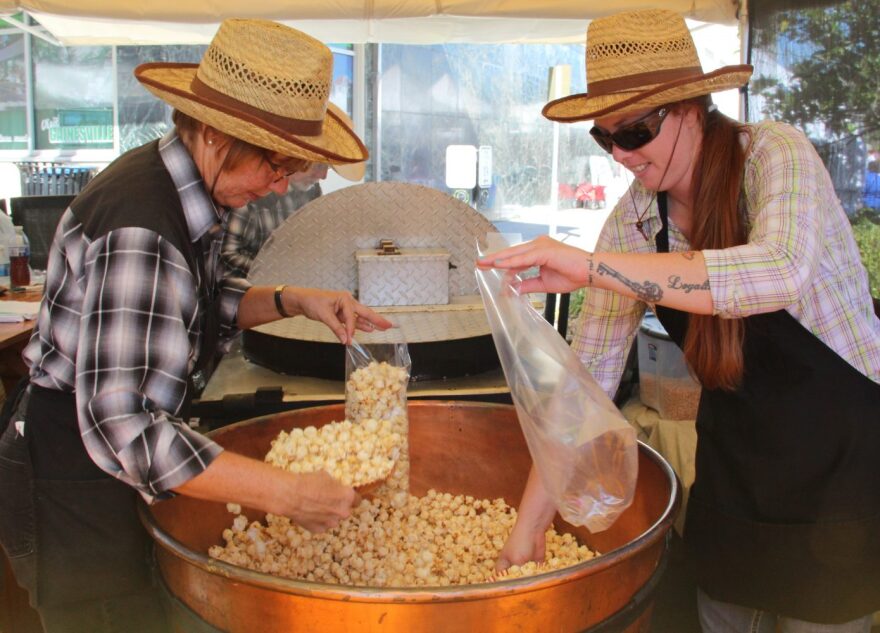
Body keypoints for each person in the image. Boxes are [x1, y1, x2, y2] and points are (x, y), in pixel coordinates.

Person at [480, 9, 880, 633]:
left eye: (634, 132)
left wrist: (593, 269)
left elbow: (777, 272)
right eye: (604, 137)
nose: (620, 156)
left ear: (692, 107)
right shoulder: (635, 222)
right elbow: (581, 390)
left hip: (839, 459)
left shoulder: (776, 153)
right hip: (737, 464)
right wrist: (527, 531)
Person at [0, 18, 391, 633]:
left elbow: (194, 303)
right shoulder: (141, 231)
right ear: (214, 133)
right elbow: (123, 427)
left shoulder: (178, 188)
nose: (279, 185)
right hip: (76, 494)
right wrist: (285, 492)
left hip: (104, 479)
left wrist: (293, 300)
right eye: (274, 163)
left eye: (292, 168)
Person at [221, 125, 366, 279]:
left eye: (327, 168)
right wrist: (276, 273)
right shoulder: (253, 190)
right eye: (318, 166)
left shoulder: (312, 193)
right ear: (295, 160)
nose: (323, 176)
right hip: (250, 294)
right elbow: (227, 255)